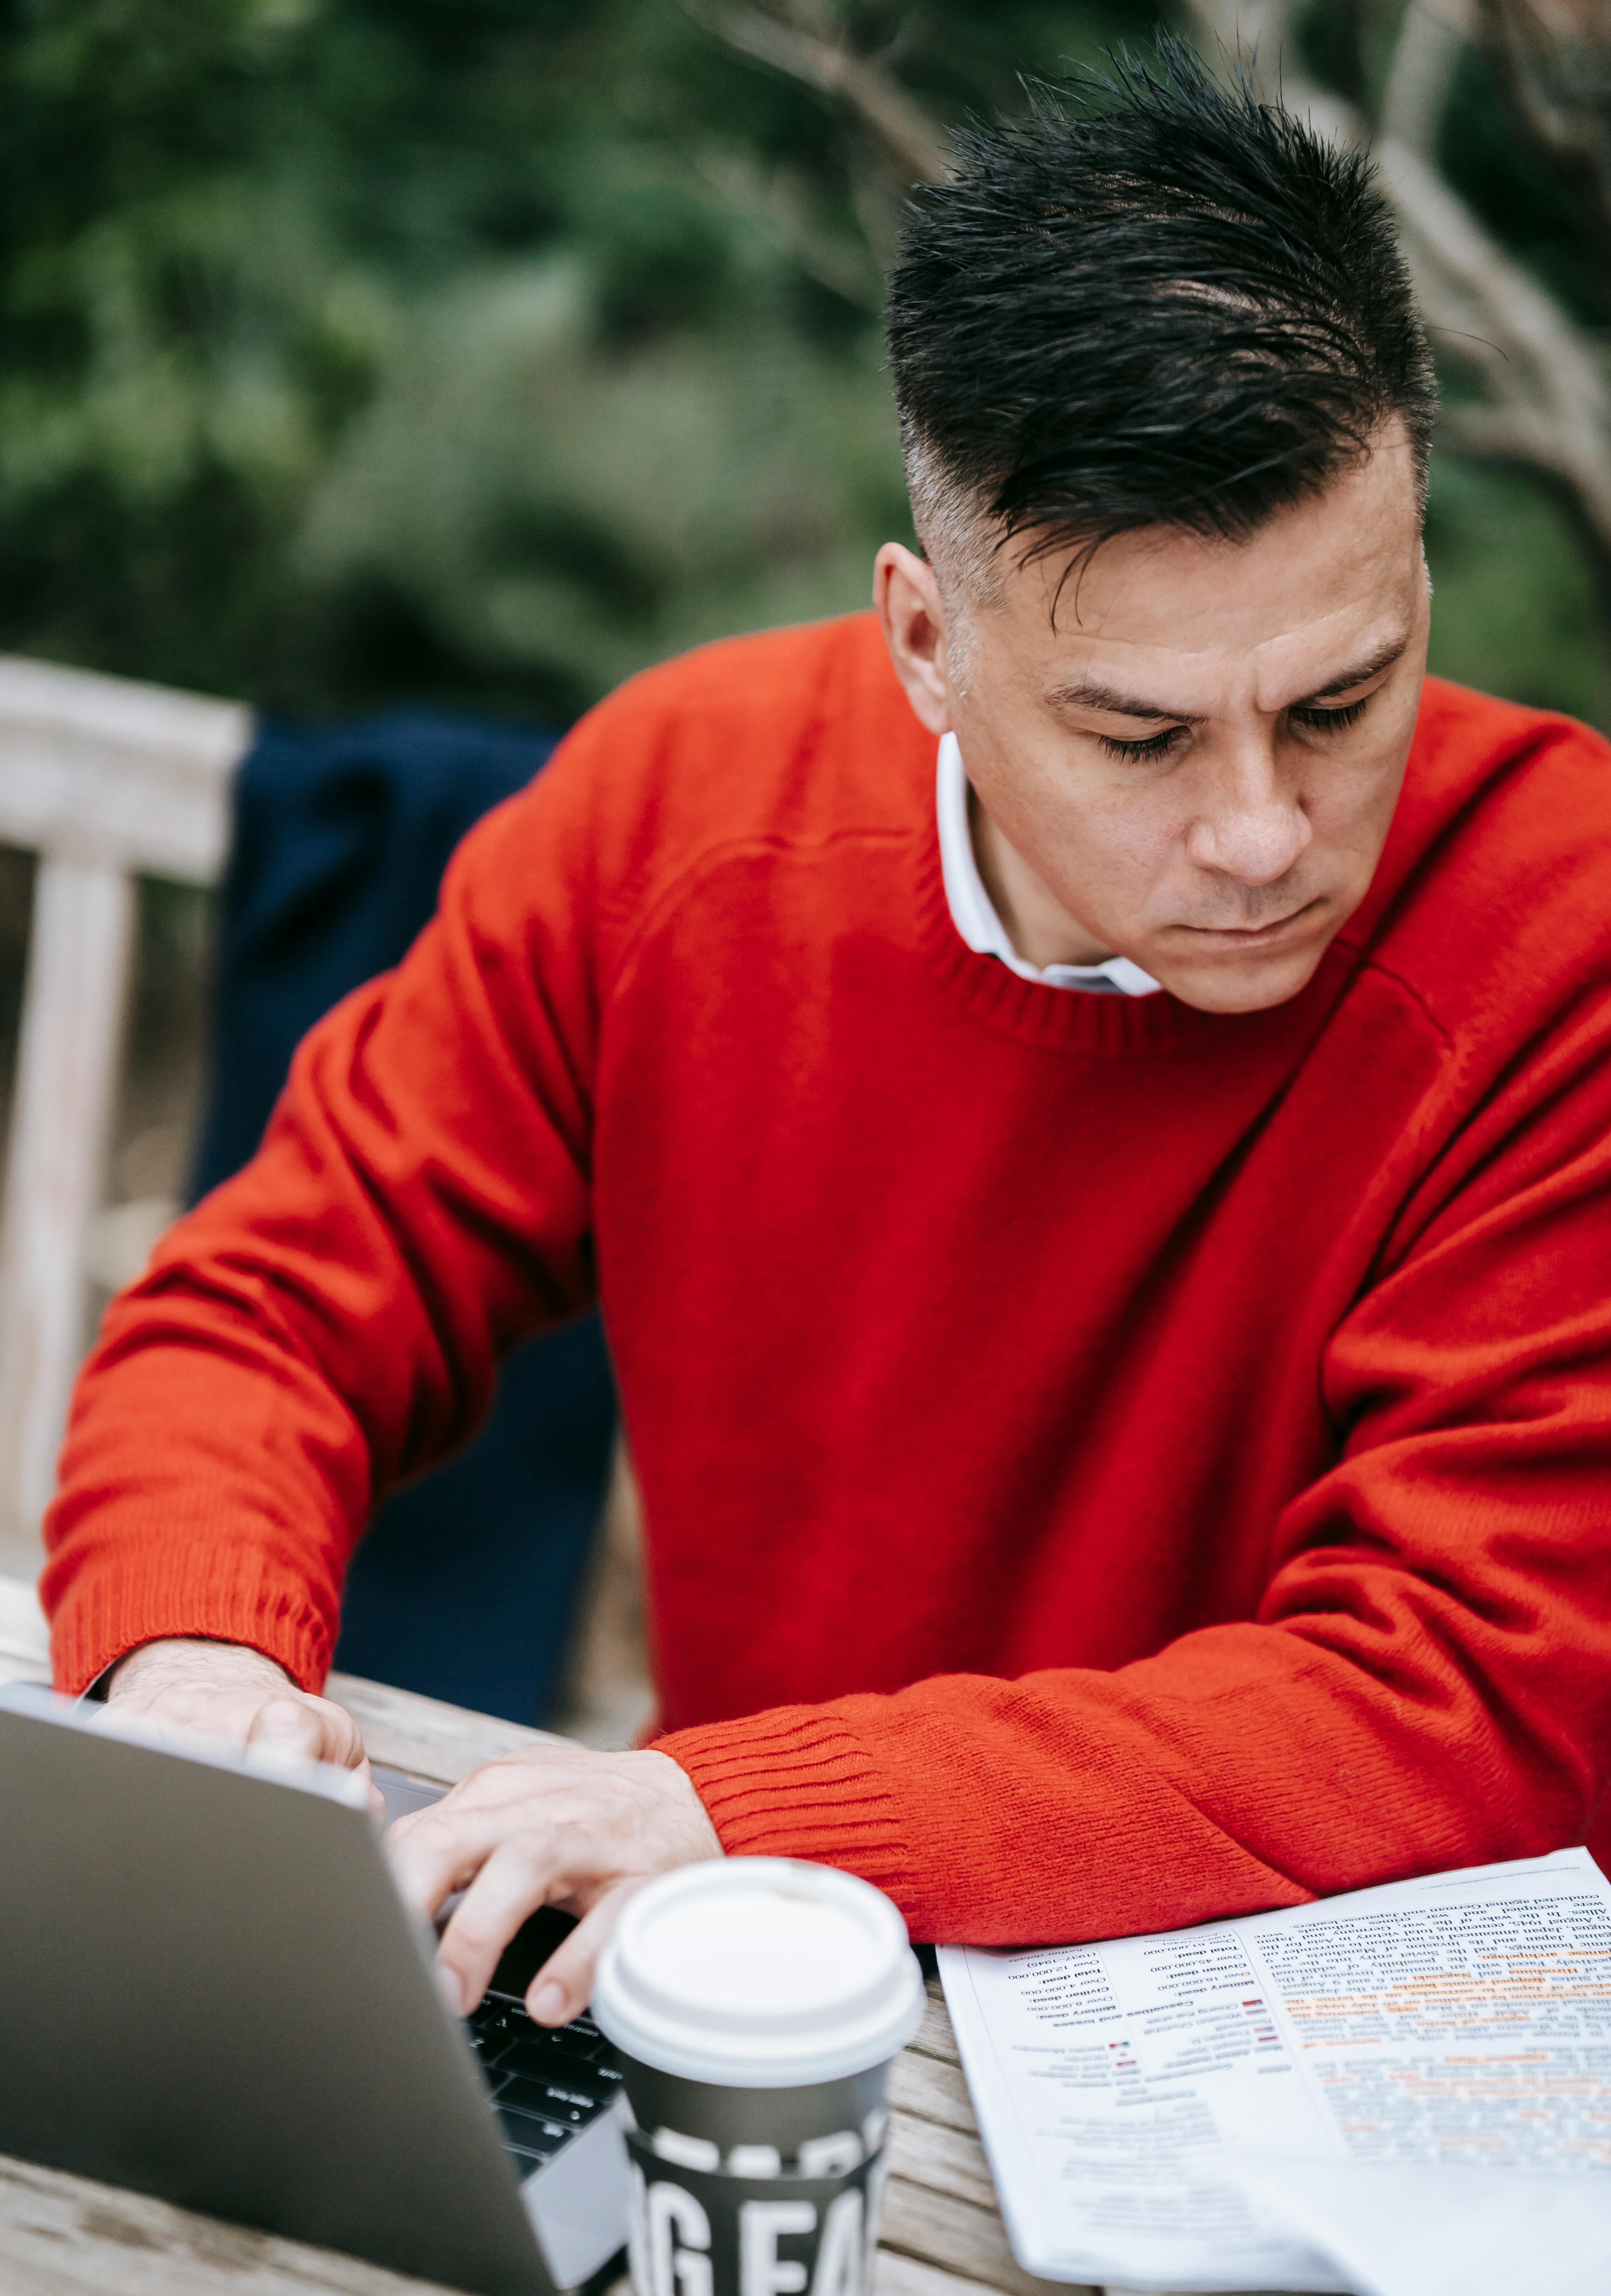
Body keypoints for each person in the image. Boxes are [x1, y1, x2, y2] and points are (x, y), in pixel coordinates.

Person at [43, 53, 1611, 2034]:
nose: (1258, 830)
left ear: (1412, 575)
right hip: (755, 1983)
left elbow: (1469, 1699)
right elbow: (266, 1307)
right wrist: (196, 1660)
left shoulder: (1566, 932)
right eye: (1138, 734)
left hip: (1345, 2058)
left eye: (1341, 696)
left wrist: (744, 1802)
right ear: (923, 645)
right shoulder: (674, 811)